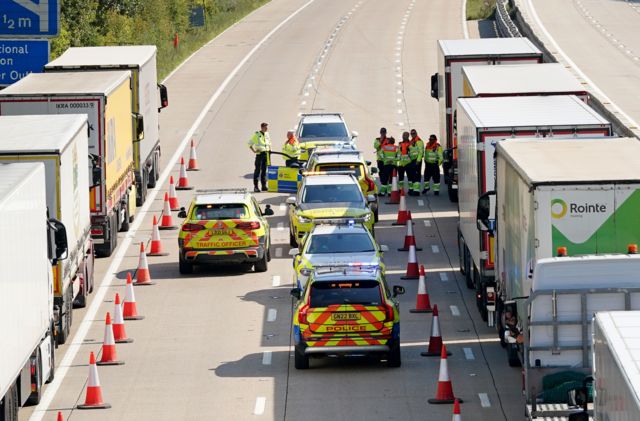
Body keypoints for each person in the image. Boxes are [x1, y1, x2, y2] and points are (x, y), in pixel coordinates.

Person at [248, 122, 271, 192]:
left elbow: (269, 143)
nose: (267, 128)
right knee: (257, 171)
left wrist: (270, 150)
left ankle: (263, 186)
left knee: (264, 171)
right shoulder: (257, 134)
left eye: (267, 127)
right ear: (262, 127)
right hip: (260, 155)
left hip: (266, 154)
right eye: (265, 127)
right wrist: (254, 151)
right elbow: (250, 143)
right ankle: (256, 187)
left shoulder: (267, 134)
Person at [409, 129, 424, 196]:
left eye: (414, 133)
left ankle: (416, 191)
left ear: (416, 133)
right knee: (413, 175)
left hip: (417, 161)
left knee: (416, 175)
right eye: (412, 133)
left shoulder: (419, 141)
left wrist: (418, 160)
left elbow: (421, 152)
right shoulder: (412, 141)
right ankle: (413, 190)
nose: (413, 134)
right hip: (412, 160)